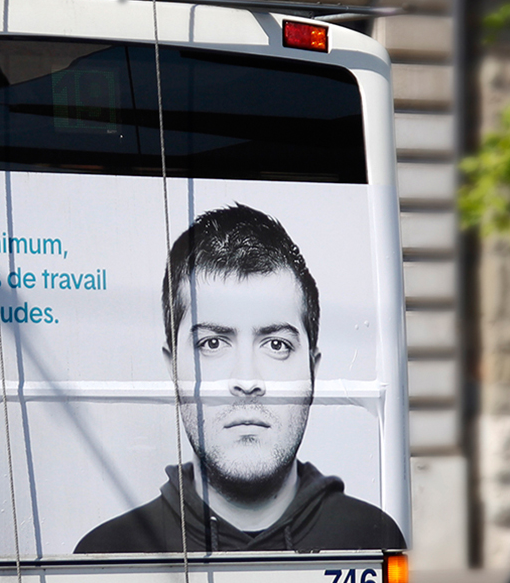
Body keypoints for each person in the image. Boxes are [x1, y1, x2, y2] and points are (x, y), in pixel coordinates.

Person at [76, 205, 405, 554]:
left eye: (276, 345)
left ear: (313, 370)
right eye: (213, 343)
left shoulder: (371, 538)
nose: (247, 381)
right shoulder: (109, 553)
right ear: (172, 369)